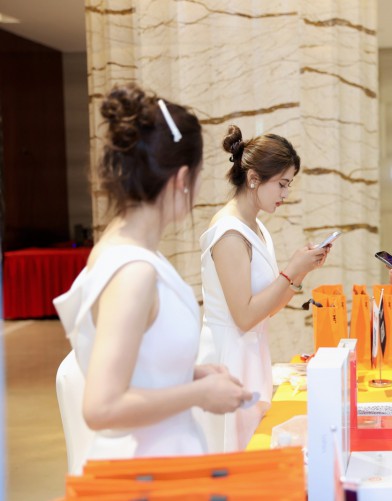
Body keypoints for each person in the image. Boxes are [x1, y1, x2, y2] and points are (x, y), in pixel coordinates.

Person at [53, 83, 251, 462]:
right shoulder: (133, 271)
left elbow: (137, 360)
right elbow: (102, 407)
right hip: (145, 463)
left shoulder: (129, 249)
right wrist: (199, 394)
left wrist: (188, 374)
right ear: (181, 179)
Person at [197, 126, 330, 452]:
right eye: (282, 184)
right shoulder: (229, 233)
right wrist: (291, 270)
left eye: (289, 184)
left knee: (252, 448)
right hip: (227, 356)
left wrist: (300, 271)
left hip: (251, 352)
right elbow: (244, 316)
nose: (285, 193)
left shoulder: (255, 227)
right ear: (254, 179)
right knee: (232, 453)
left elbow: (266, 309)